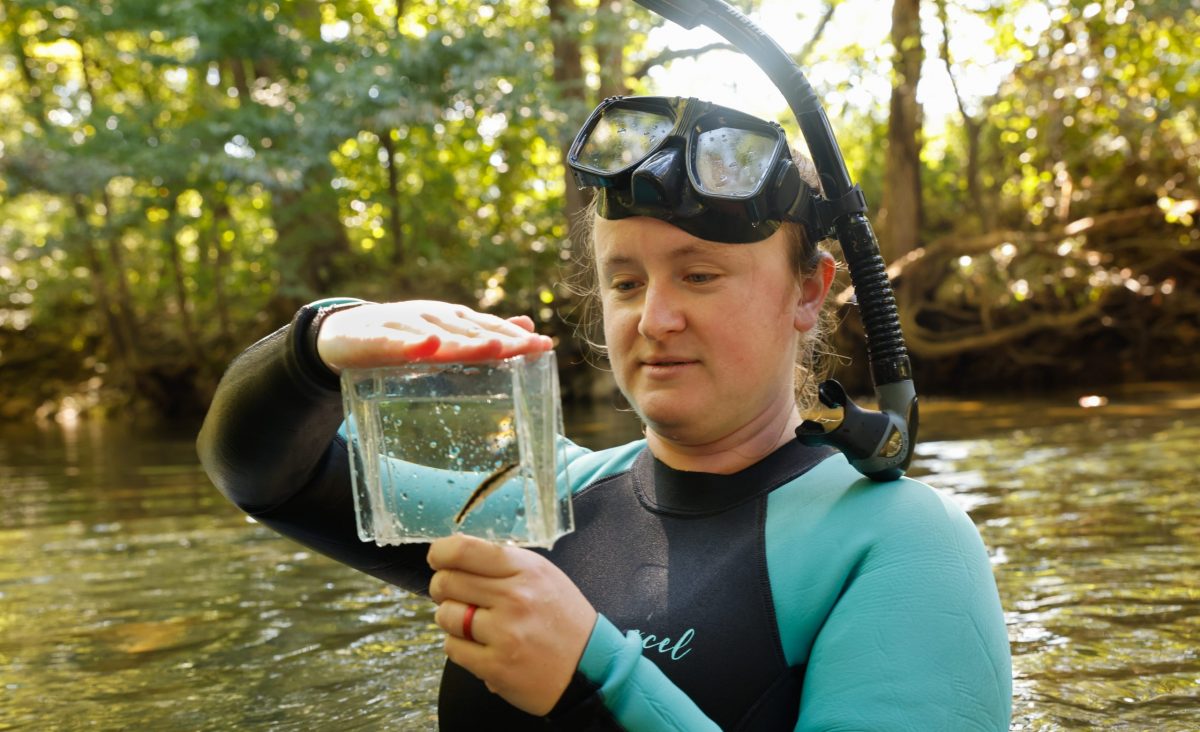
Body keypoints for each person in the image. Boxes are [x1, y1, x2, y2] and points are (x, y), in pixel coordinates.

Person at [197, 94, 1012, 730]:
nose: (653, 319)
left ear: (809, 291)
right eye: (625, 282)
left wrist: (595, 680)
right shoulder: (530, 501)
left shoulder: (901, 541)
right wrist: (319, 343)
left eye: (699, 275)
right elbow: (258, 473)